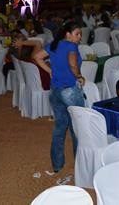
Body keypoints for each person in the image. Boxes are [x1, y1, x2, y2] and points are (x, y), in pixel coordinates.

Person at [33, 22, 85, 173]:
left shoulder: (54, 44)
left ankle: (57, 164)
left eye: (80, 34)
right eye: (77, 34)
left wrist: (50, 71)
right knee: (77, 128)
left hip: (55, 90)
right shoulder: (71, 46)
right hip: (69, 90)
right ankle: (80, 165)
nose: (80, 37)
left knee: (60, 127)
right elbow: (73, 64)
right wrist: (79, 76)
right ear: (68, 34)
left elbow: (37, 57)